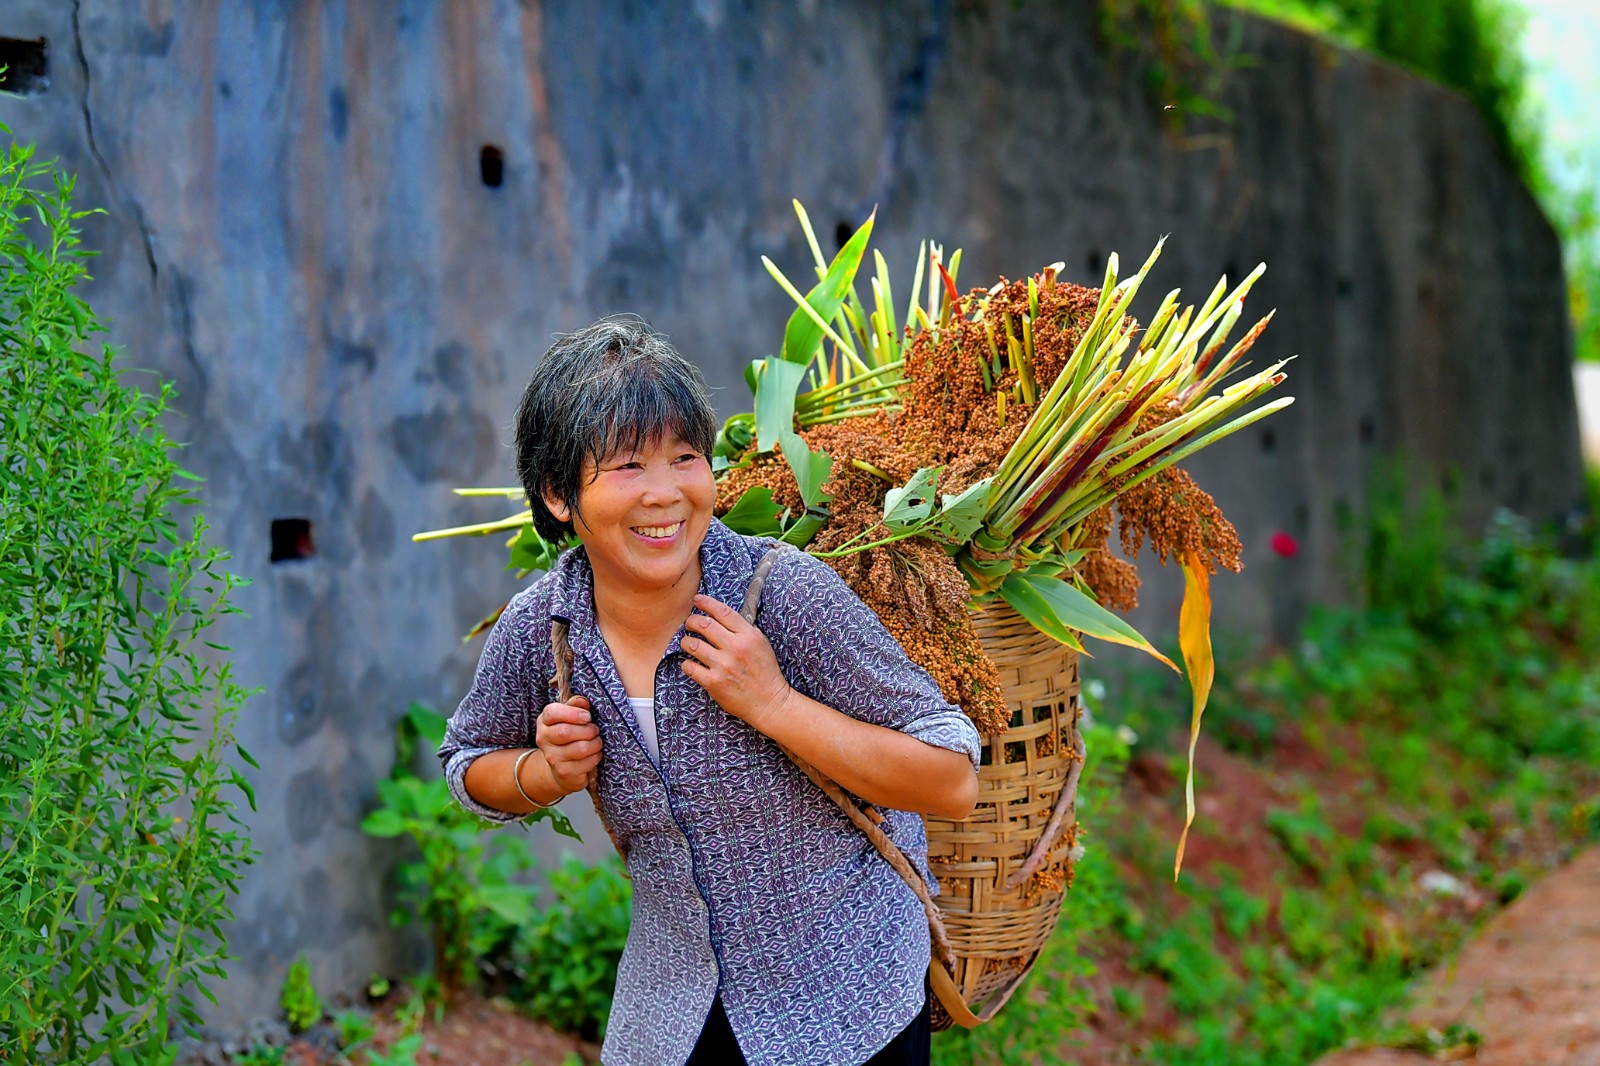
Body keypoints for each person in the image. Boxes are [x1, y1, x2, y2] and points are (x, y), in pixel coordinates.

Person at [438, 315, 981, 1066]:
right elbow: (468, 764)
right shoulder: (546, 626)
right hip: (676, 1006)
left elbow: (951, 778)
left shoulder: (781, 595)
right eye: (628, 466)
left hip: (849, 999)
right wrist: (543, 773)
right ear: (559, 496)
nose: (665, 494)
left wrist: (777, 705)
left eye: (685, 458)